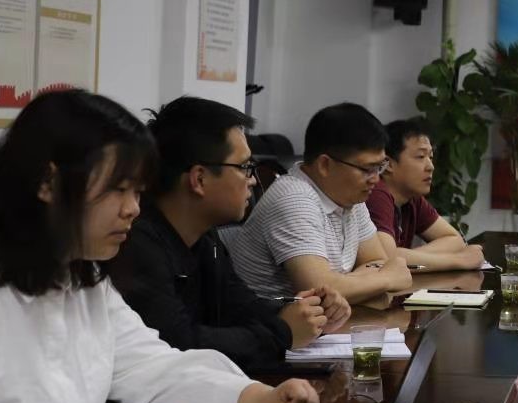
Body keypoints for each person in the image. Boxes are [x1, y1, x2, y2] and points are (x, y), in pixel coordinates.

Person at [0, 90, 319, 403]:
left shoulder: (84, 276)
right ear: (47, 183)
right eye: (117, 190)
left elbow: (151, 367)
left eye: (137, 192)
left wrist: (257, 398)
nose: (133, 209)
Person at [107, 97, 351, 370]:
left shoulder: (204, 237)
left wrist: (308, 310)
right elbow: (178, 344)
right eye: (244, 167)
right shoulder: (136, 243)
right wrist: (282, 333)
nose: (253, 180)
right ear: (199, 179)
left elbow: (240, 305)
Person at [230, 103, 412, 305]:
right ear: (325, 165)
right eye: (367, 169)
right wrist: (387, 279)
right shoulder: (294, 199)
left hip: (327, 319)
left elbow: (375, 261)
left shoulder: (350, 195)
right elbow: (320, 290)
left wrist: (345, 284)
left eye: (379, 167)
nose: (376, 179)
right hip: (270, 321)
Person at [368, 118, 484, 272]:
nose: (430, 166)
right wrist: (459, 261)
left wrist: (408, 256)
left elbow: (455, 240)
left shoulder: (412, 198)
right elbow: (386, 258)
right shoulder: (376, 193)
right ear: (388, 164)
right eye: (421, 157)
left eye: (431, 157)